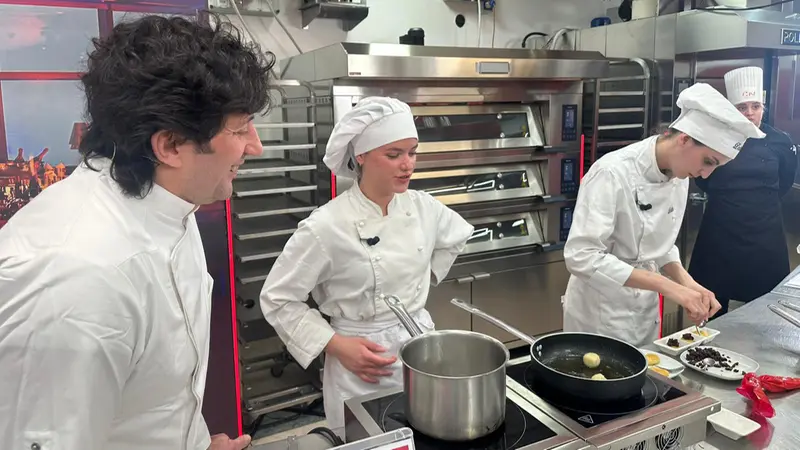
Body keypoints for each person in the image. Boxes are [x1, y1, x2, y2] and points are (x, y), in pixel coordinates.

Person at [0, 15, 272, 450]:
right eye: (240, 130)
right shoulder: (77, 278)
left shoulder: (168, 203)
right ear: (168, 145)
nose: (255, 147)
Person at [259, 97, 474, 431]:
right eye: (394, 155)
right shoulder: (327, 226)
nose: (408, 165)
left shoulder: (422, 207)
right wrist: (336, 345)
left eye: (412, 152)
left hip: (419, 351)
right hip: (360, 365)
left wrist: (419, 280)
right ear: (361, 156)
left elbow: (456, 235)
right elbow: (278, 298)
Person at [561, 82, 766, 347]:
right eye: (708, 161)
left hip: (643, 311)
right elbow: (581, 257)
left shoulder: (679, 174)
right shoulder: (611, 173)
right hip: (597, 311)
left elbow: (661, 245)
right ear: (684, 139)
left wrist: (689, 284)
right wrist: (670, 288)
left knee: (640, 381)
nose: (706, 175)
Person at [688, 67, 798, 318]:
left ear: (763, 107)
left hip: (764, 237)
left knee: (763, 311)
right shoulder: (715, 138)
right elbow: (703, 179)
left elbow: (783, 183)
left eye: (755, 106)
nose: (750, 114)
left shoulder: (780, 141)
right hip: (720, 234)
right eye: (742, 107)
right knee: (712, 308)